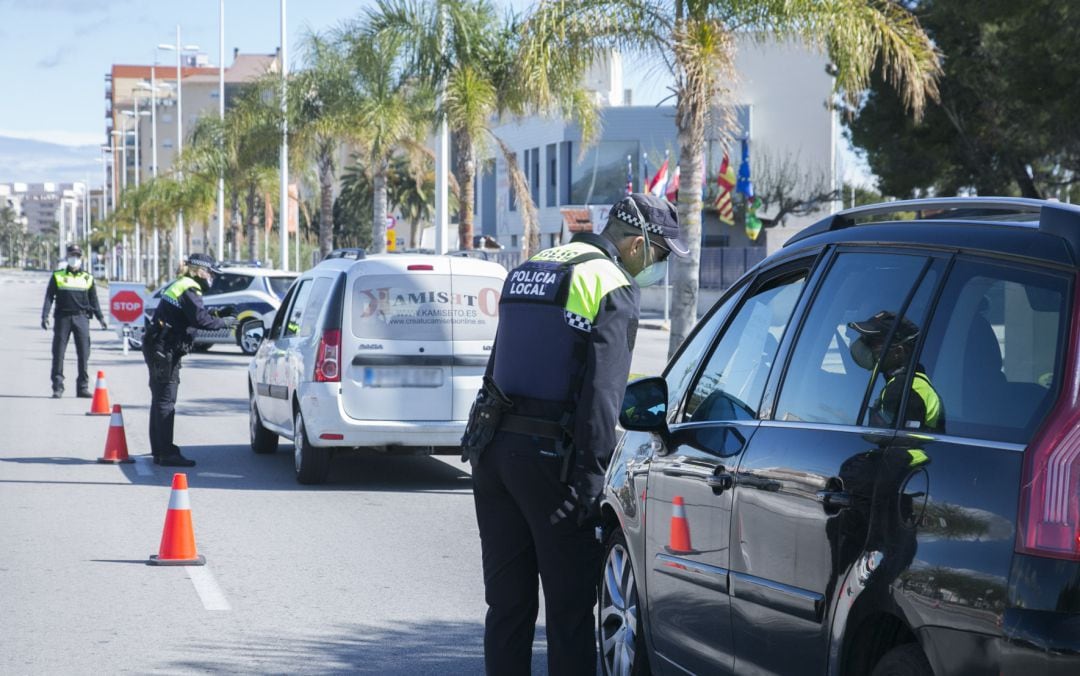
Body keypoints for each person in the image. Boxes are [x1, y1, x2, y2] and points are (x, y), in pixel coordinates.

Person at [464, 193, 688, 675]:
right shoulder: (610, 284)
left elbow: (498, 366)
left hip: (493, 455)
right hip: (550, 465)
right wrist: (591, 488)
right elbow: (601, 399)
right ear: (634, 244)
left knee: (507, 608)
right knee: (568, 614)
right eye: (661, 253)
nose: (660, 265)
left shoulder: (530, 266)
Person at [142, 253, 234, 467]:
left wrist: (219, 313)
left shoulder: (182, 284)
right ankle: (166, 453)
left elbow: (190, 314)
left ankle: (160, 450)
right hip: (164, 348)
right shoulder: (190, 287)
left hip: (159, 345)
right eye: (211, 273)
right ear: (200, 271)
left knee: (160, 400)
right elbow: (201, 320)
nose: (212, 277)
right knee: (166, 400)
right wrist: (224, 322)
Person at [848, 310, 944, 431]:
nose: (864, 345)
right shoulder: (914, 383)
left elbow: (894, 443)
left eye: (872, 342)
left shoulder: (900, 389)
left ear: (898, 352)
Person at [41, 244, 107, 398]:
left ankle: (82, 387)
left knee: (84, 353)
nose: (74, 259)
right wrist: (44, 316)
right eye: (72, 255)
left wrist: (101, 318)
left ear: (81, 258)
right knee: (58, 353)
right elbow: (49, 297)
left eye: (77, 256)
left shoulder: (88, 278)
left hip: (82, 318)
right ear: (67, 256)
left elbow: (94, 301)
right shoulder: (57, 276)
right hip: (62, 318)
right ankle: (57, 387)